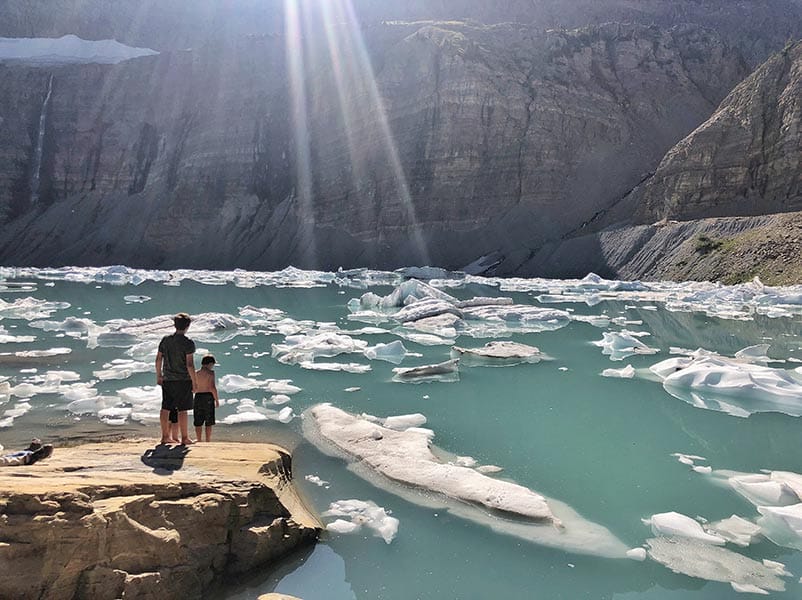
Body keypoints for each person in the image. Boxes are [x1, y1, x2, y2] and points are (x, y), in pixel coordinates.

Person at [156, 312, 197, 445]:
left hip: (168, 378)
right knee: (183, 409)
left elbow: (158, 359)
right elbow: (190, 364)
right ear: (187, 326)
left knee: (165, 407)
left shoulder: (165, 340)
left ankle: (164, 436)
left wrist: (159, 375)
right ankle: (184, 438)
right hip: (183, 379)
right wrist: (195, 382)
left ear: (174, 325)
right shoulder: (188, 343)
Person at [193, 354, 220, 442]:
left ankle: (199, 439)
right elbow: (212, 387)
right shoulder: (210, 373)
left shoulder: (196, 373)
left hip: (198, 396)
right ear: (209, 364)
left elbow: (193, 388)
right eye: (212, 365)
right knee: (208, 421)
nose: (212, 367)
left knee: (198, 420)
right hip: (208, 396)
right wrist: (216, 400)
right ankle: (208, 440)